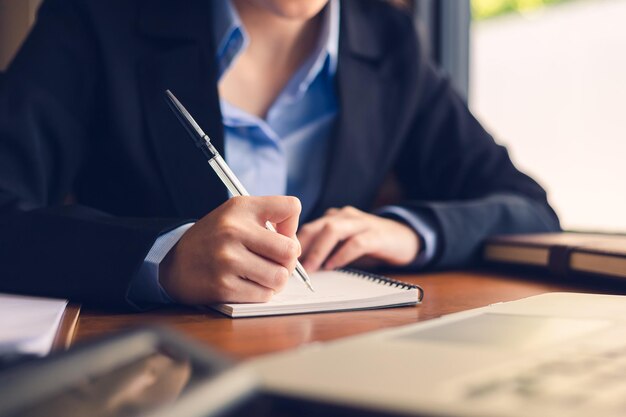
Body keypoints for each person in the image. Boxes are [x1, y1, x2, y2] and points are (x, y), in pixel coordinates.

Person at [0, 0, 559, 309]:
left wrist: (410, 231)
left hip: (326, 363)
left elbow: (529, 208)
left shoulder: (390, 40)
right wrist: (163, 258)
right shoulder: (97, 19)